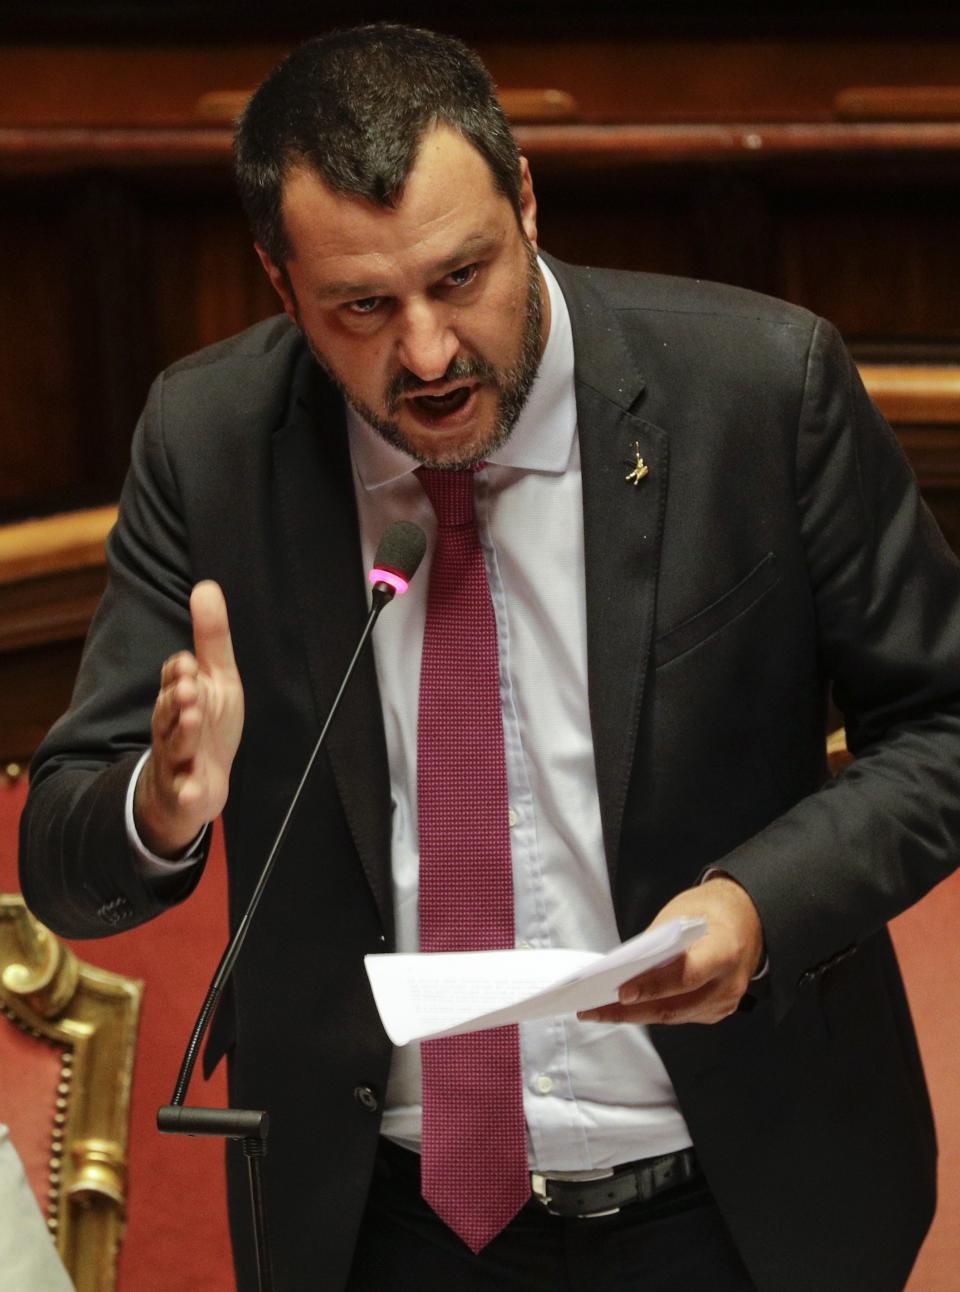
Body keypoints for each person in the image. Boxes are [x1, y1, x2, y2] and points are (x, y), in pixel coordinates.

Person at [18, 23, 960, 1292]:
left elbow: (942, 723)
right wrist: (162, 803)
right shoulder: (213, 440)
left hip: (732, 1194)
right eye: (363, 305)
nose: (426, 351)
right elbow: (73, 858)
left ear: (525, 201)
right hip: (379, 1220)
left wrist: (757, 903)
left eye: (462, 277)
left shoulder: (754, 389)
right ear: (278, 282)